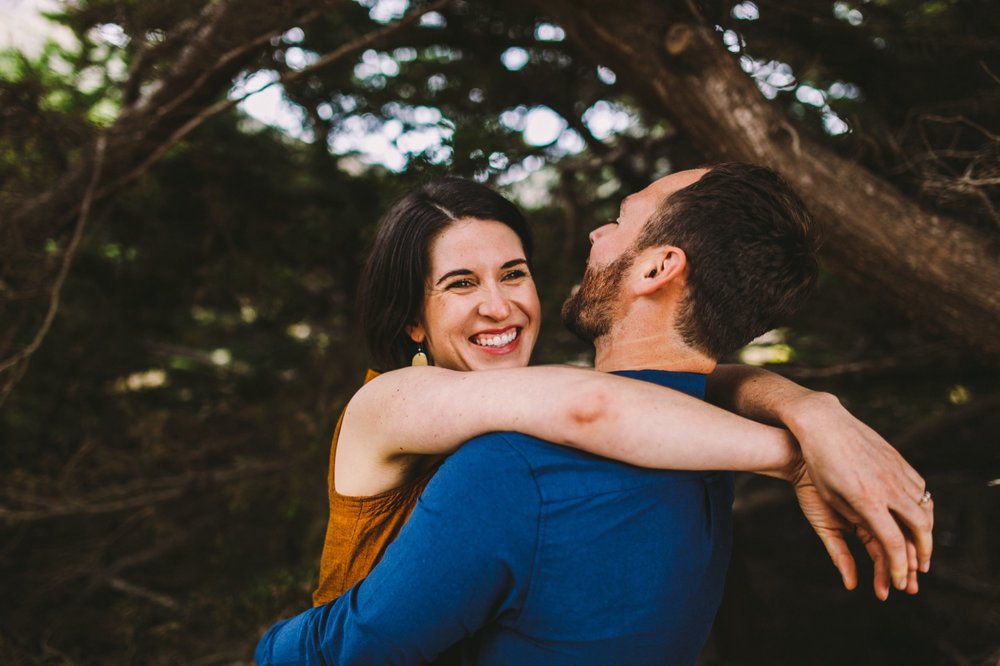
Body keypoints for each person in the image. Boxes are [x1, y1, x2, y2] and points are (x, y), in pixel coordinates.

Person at [257, 165, 933, 664]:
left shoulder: (518, 466)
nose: (499, 305)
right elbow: (601, 401)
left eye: (620, 219)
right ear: (411, 321)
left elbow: (602, 402)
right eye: (461, 284)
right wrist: (803, 442)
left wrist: (811, 415)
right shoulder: (695, 449)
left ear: (657, 268)